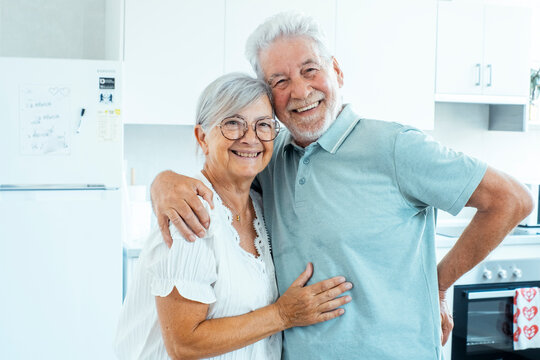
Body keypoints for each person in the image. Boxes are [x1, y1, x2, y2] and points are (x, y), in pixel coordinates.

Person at [150, 12, 534, 359]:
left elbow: (511, 200)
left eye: (310, 70)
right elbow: (220, 173)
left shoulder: (396, 147)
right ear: (270, 98)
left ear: (337, 71)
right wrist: (161, 182)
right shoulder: (270, 155)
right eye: (280, 81)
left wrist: (436, 284)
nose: (300, 92)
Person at [115, 73, 352, 360]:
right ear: (202, 137)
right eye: (232, 123)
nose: (250, 138)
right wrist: (283, 314)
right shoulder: (190, 214)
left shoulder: (261, 206)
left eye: (263, 125)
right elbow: (184, 343)